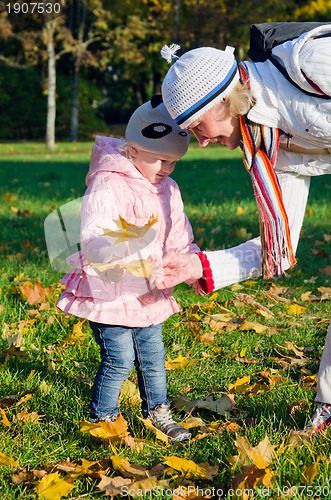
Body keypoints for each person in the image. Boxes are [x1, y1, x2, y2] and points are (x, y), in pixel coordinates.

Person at [154, 27, 331, 434]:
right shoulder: (267, 147)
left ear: (225, 101)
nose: (199, 142)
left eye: (198, 126)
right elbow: (279, 246)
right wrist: (196, 267)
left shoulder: (308, 64)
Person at [56, 96, 202, 441]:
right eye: (160, 159)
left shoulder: (168, 188)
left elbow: (176, 230)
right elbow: (96, 237)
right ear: (134, 148)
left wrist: (185, 260)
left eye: (174, 161)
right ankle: (103, 417)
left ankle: (158, 411)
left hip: (149, 290)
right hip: (112, 288)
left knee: (152, 354)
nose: (166, 168)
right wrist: (131, 262)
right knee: (119, 356)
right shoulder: (108, 184)